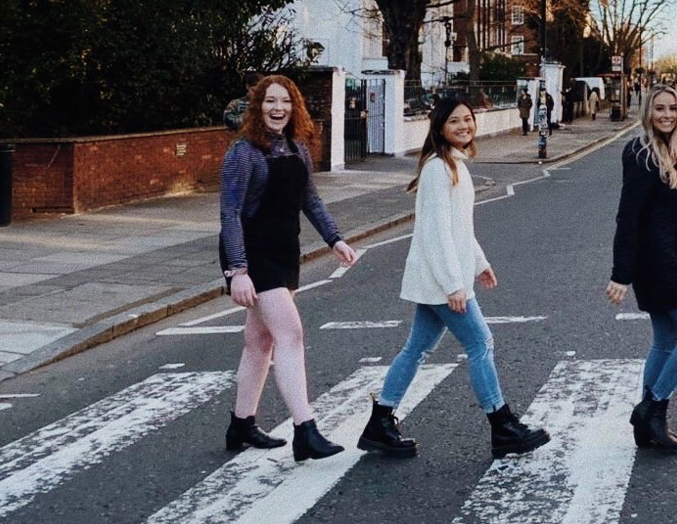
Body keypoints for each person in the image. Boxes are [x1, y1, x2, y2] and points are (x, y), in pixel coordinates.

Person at [358, 97, 549, 460]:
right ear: (440, 128)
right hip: (442, 281)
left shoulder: (452, 165)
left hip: (444, 277)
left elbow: (459, 228)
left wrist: (479, 263)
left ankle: (380, 423)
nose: (464, 126)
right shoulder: (438, 169)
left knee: (417, 348)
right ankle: (502, 424)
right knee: (481, 343)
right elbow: (436, 233)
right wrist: (453, 285)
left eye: (468, 120)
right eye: (455, 122)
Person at [219, 75, 358, 462]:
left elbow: (310, 201)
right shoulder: (242, 153)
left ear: (294, 108)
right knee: (290, 334)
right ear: (257, 107)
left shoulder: (297, 149)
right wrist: (237, 270)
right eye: (269, 101)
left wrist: (336, 240)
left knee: (259, 341)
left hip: (284, 250)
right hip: (253, 253)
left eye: (285, 102)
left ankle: (241, 425)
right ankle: (305, 429)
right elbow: (229, 214)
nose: (277, 108)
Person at [606, 86, 677, 451]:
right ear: (648, 112)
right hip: (659, 265)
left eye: (672, 108)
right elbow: (629, 216)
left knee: (667, 341)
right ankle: (652, 408)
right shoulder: (641, 152)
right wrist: (621, 274)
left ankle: (648, 428)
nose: (666, 114)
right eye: (659, 108)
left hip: (668, 259)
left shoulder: (669, 151)